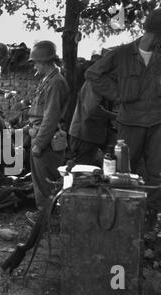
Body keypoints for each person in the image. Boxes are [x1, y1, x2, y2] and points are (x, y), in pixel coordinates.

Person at [85, 8, 161, 231]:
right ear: (155, 33)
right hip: (129, 123)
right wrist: (117, 95)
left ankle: (148, 223)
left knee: (157, 174)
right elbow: (93, 74)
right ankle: (120, 221)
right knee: (124, 173)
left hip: (158, 123)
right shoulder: (122, 54)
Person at [26, 41, 69, 221]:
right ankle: (45, 213)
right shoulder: (47, 80)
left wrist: (39, 144)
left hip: (48, 140)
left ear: (44, 61)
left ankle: (46, 217)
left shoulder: (56, 83)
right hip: (39, 135)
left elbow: (50, 118)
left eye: (35, 62)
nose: (34, 66)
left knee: (47, 180)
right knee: (40, 178)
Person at [69, 80, 117, 165]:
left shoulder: (101, 82)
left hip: (91, 134)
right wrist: (115, 116)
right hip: (85, 135)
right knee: (82, 170)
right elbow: (92, 109)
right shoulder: (95, 81)